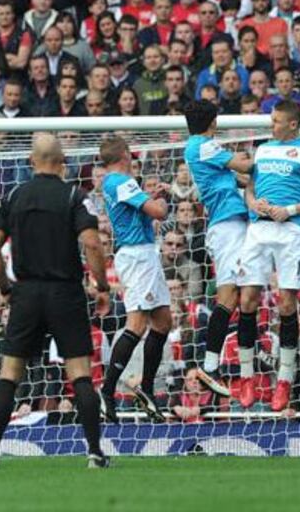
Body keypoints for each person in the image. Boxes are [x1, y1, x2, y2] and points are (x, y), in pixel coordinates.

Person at [0, 134, 111, 469]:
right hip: (65, 293)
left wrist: (6, 287)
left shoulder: (14, 195)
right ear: (62, 162)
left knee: (10, 373)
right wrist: (102, 284)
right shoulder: (74, 196)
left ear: (32, 161)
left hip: (27, 294)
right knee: (79, 372)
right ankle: (94, 452)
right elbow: (92, 245)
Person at [238, 101, 300, 411]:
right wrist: (253, 203)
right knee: (247, 299)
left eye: (278, 120)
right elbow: (250, 189)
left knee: (287, 302)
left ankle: (285, 380)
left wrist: (289, 210)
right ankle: (246, 377)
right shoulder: (263, 150)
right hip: (259, 229)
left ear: (293, 124)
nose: (272, 125)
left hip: (291, 231)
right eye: (272, 120)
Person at [97, 136, 173, 423]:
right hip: (137, 256)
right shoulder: (120, 181)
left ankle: (147, 387)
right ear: (125, 155)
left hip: (144, 255)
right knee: (138, 324)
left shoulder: (115, 183)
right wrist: (163, 197)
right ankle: (107, 392)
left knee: (163, 321)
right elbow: (158, 213)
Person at [181, 101, 253, 398]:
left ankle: (216, 366)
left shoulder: (204, 149)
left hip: (234, 223)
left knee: (242, 296)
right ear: (212, 122)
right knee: (230, 297)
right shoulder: (203, 146)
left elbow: (242, 176)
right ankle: (210, 365)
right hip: (227, 227)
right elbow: (246, 166)